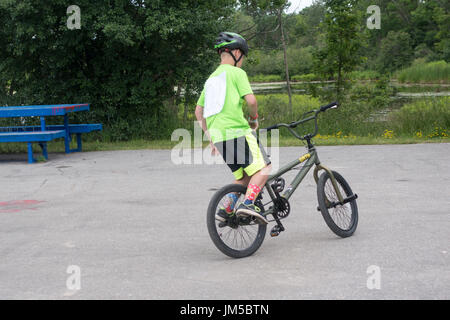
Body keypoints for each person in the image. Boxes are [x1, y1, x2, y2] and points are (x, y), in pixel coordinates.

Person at [195, 32, 272, 225]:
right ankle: (248, 203)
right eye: (243, 57)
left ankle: (226, 208)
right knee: (264, 168)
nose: (243, 61)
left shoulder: (211, 79)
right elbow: (251, 101)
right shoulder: (237, 73)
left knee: (244, 177)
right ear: (237, 52)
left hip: (220, 137)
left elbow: (198, 111)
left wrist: (210, 137)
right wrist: (254, 119)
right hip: (237, 131)